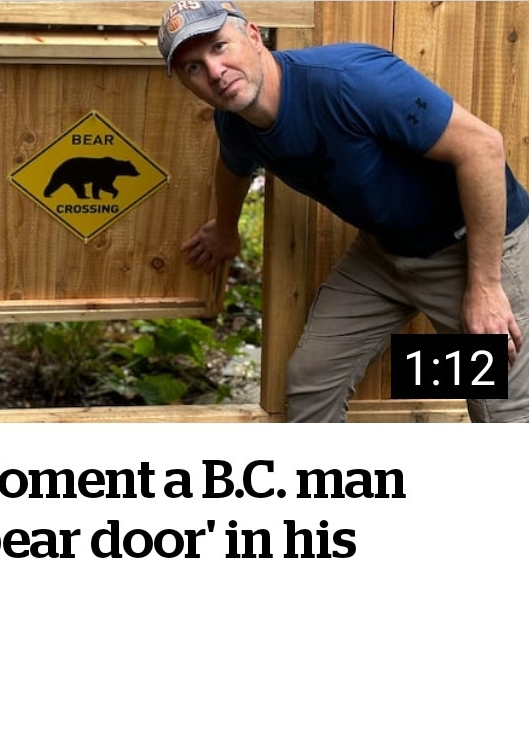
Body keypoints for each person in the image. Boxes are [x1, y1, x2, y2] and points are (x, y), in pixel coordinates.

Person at [157, 1, 529, 422]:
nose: (214, 71)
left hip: (468, 250)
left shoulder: (349, 82)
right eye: (193, 67)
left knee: (503, 415)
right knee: (311, 380)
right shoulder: (236, 122)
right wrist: (226, 229)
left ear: (254, 36)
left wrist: (484, 285)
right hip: (383, 255)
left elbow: (483, 147)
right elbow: (233, 166)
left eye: (220, 47)